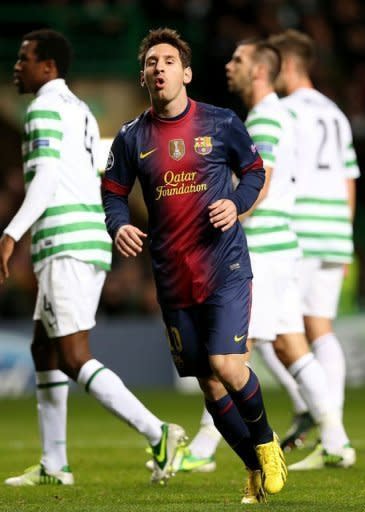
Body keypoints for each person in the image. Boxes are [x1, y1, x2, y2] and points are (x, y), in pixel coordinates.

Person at [102, 27, 287, 505]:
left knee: (228, 365)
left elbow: (254, 171)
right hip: (173, 277)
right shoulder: (130, 137)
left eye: (167, 61)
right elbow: (113, 192)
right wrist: (117, 225)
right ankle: (251, 466)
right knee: (207, 381)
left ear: (185, 72)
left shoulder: (221, 122)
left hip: (224, 266)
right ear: (144, 77)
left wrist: (238, 205)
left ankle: (267, 445)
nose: (158, 67)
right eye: (150, 62)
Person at [0, 28, 186, 487]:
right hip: (83, 236)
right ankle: (54, 464)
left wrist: (10, 233)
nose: (16, 66)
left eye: (24, 58)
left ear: (48, 66)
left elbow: (44, 179)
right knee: (44, 348)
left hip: (66, 240)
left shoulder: (43, 108)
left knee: (72, 354)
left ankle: (158, 431)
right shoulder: (78, 109)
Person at [164, 38, 356, 475]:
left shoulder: (267, 117)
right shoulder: (279, 114)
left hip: (266, 248)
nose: (228, 65)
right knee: (292, 345)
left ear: (258, 71)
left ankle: (206, 446)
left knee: (231, 351)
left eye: (237, 59)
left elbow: (262, 181)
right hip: (285, 243)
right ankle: (336, 439)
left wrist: (222, 218)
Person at [261, 28, 360, 469]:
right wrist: (344, 232)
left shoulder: (282, 112)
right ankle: (329, 431)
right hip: (335, 229)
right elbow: (349, 178)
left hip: (298, 229)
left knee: (271, 329)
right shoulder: (336, 114)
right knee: (320, 329)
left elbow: (277, 173)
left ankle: (322, 419)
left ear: (288, 64)